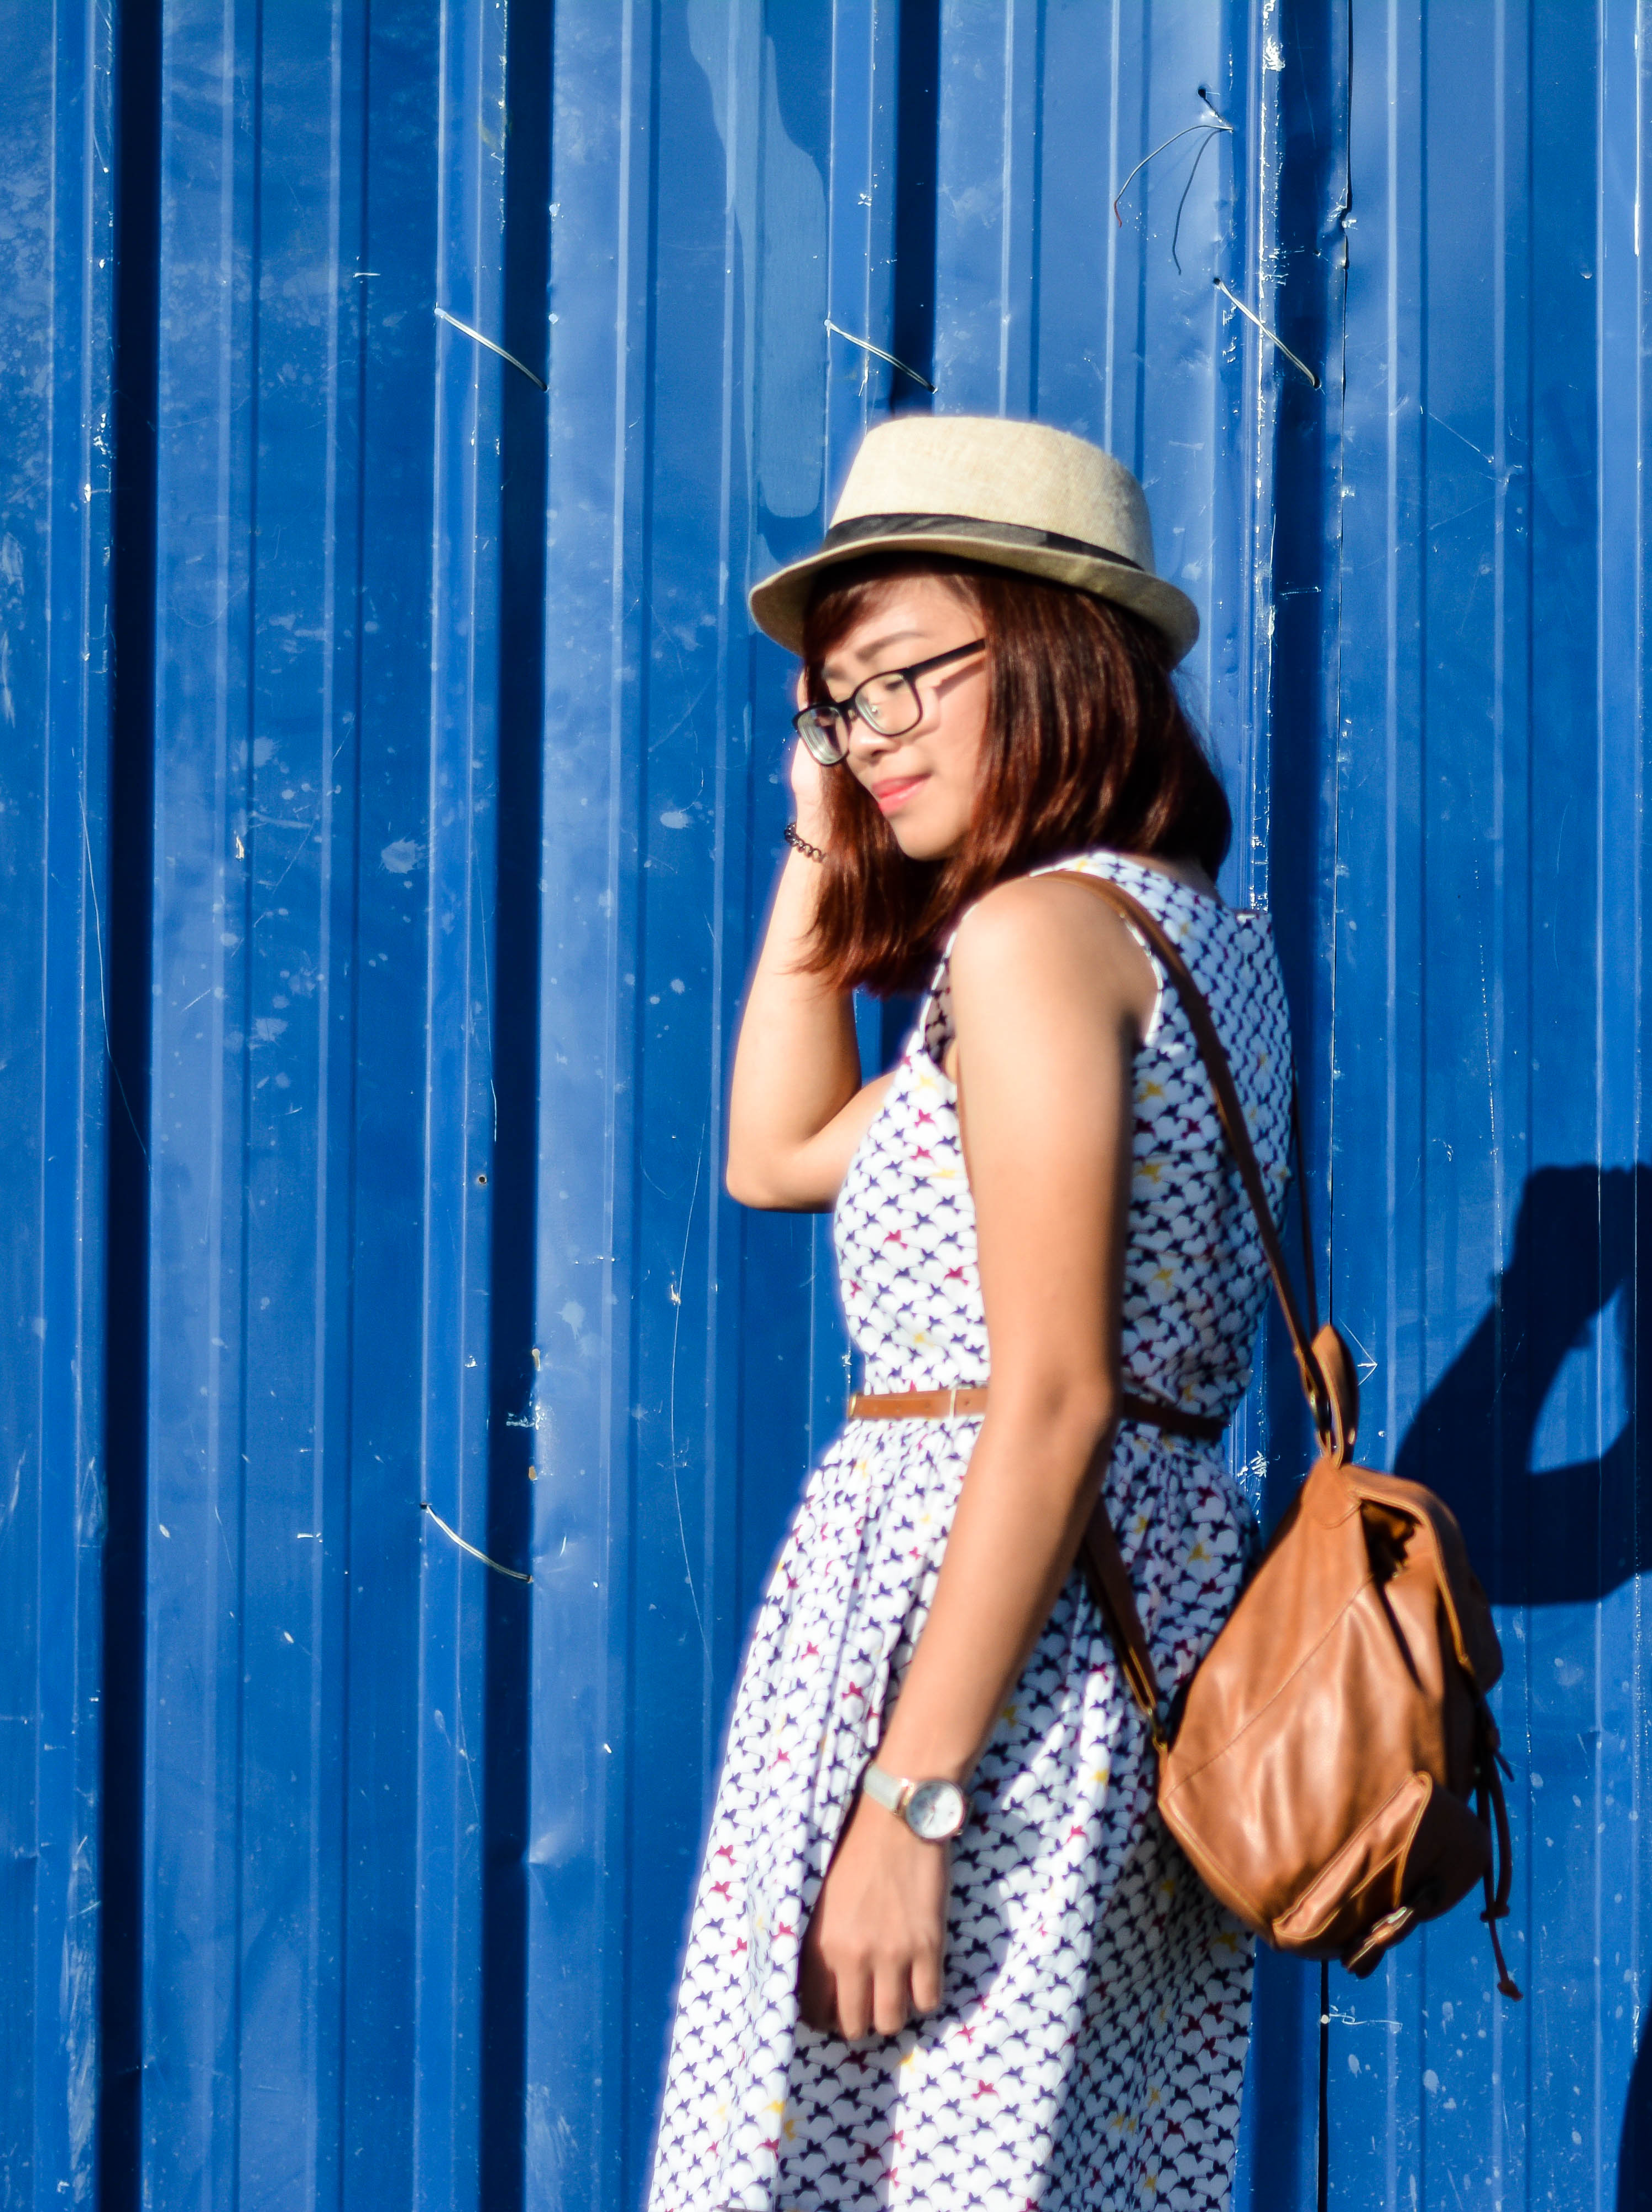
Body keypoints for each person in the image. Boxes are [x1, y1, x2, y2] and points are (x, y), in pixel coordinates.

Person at [645, 416, 1283, 2210]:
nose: (873, 735)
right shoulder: (1181, 936)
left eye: (910, 677)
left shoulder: (1030, 944)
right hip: (1106, 1649)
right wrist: (821, 841)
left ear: (1064, 651)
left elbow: (1056, 1396)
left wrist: (910, 1800)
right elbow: (779, 1152)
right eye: (840, 705)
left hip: (990, 1671)